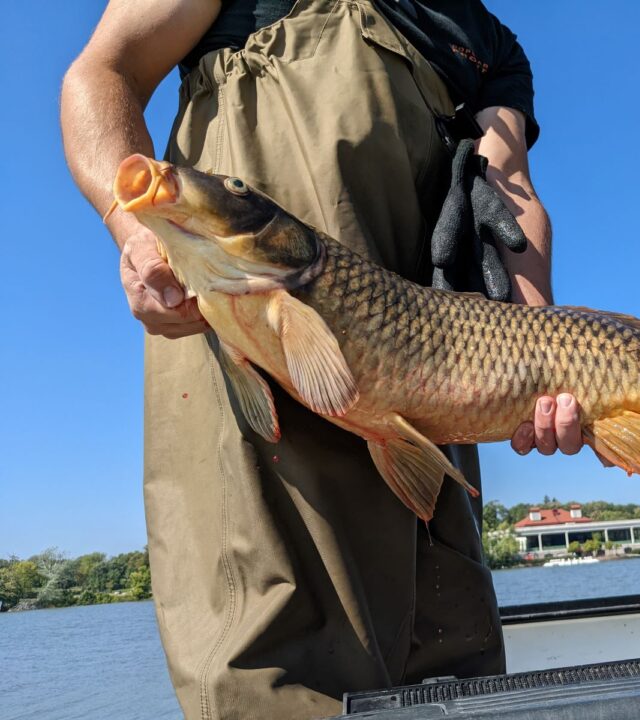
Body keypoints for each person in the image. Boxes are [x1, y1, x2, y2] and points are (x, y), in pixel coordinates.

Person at [61, 1, 591, 718]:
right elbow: (104, 71)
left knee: (446, 647)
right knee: (278, 646)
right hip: (249, 331)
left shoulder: (489, 44)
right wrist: (137, 237)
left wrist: (545, 349)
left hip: (431, 360)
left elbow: (509, 189)